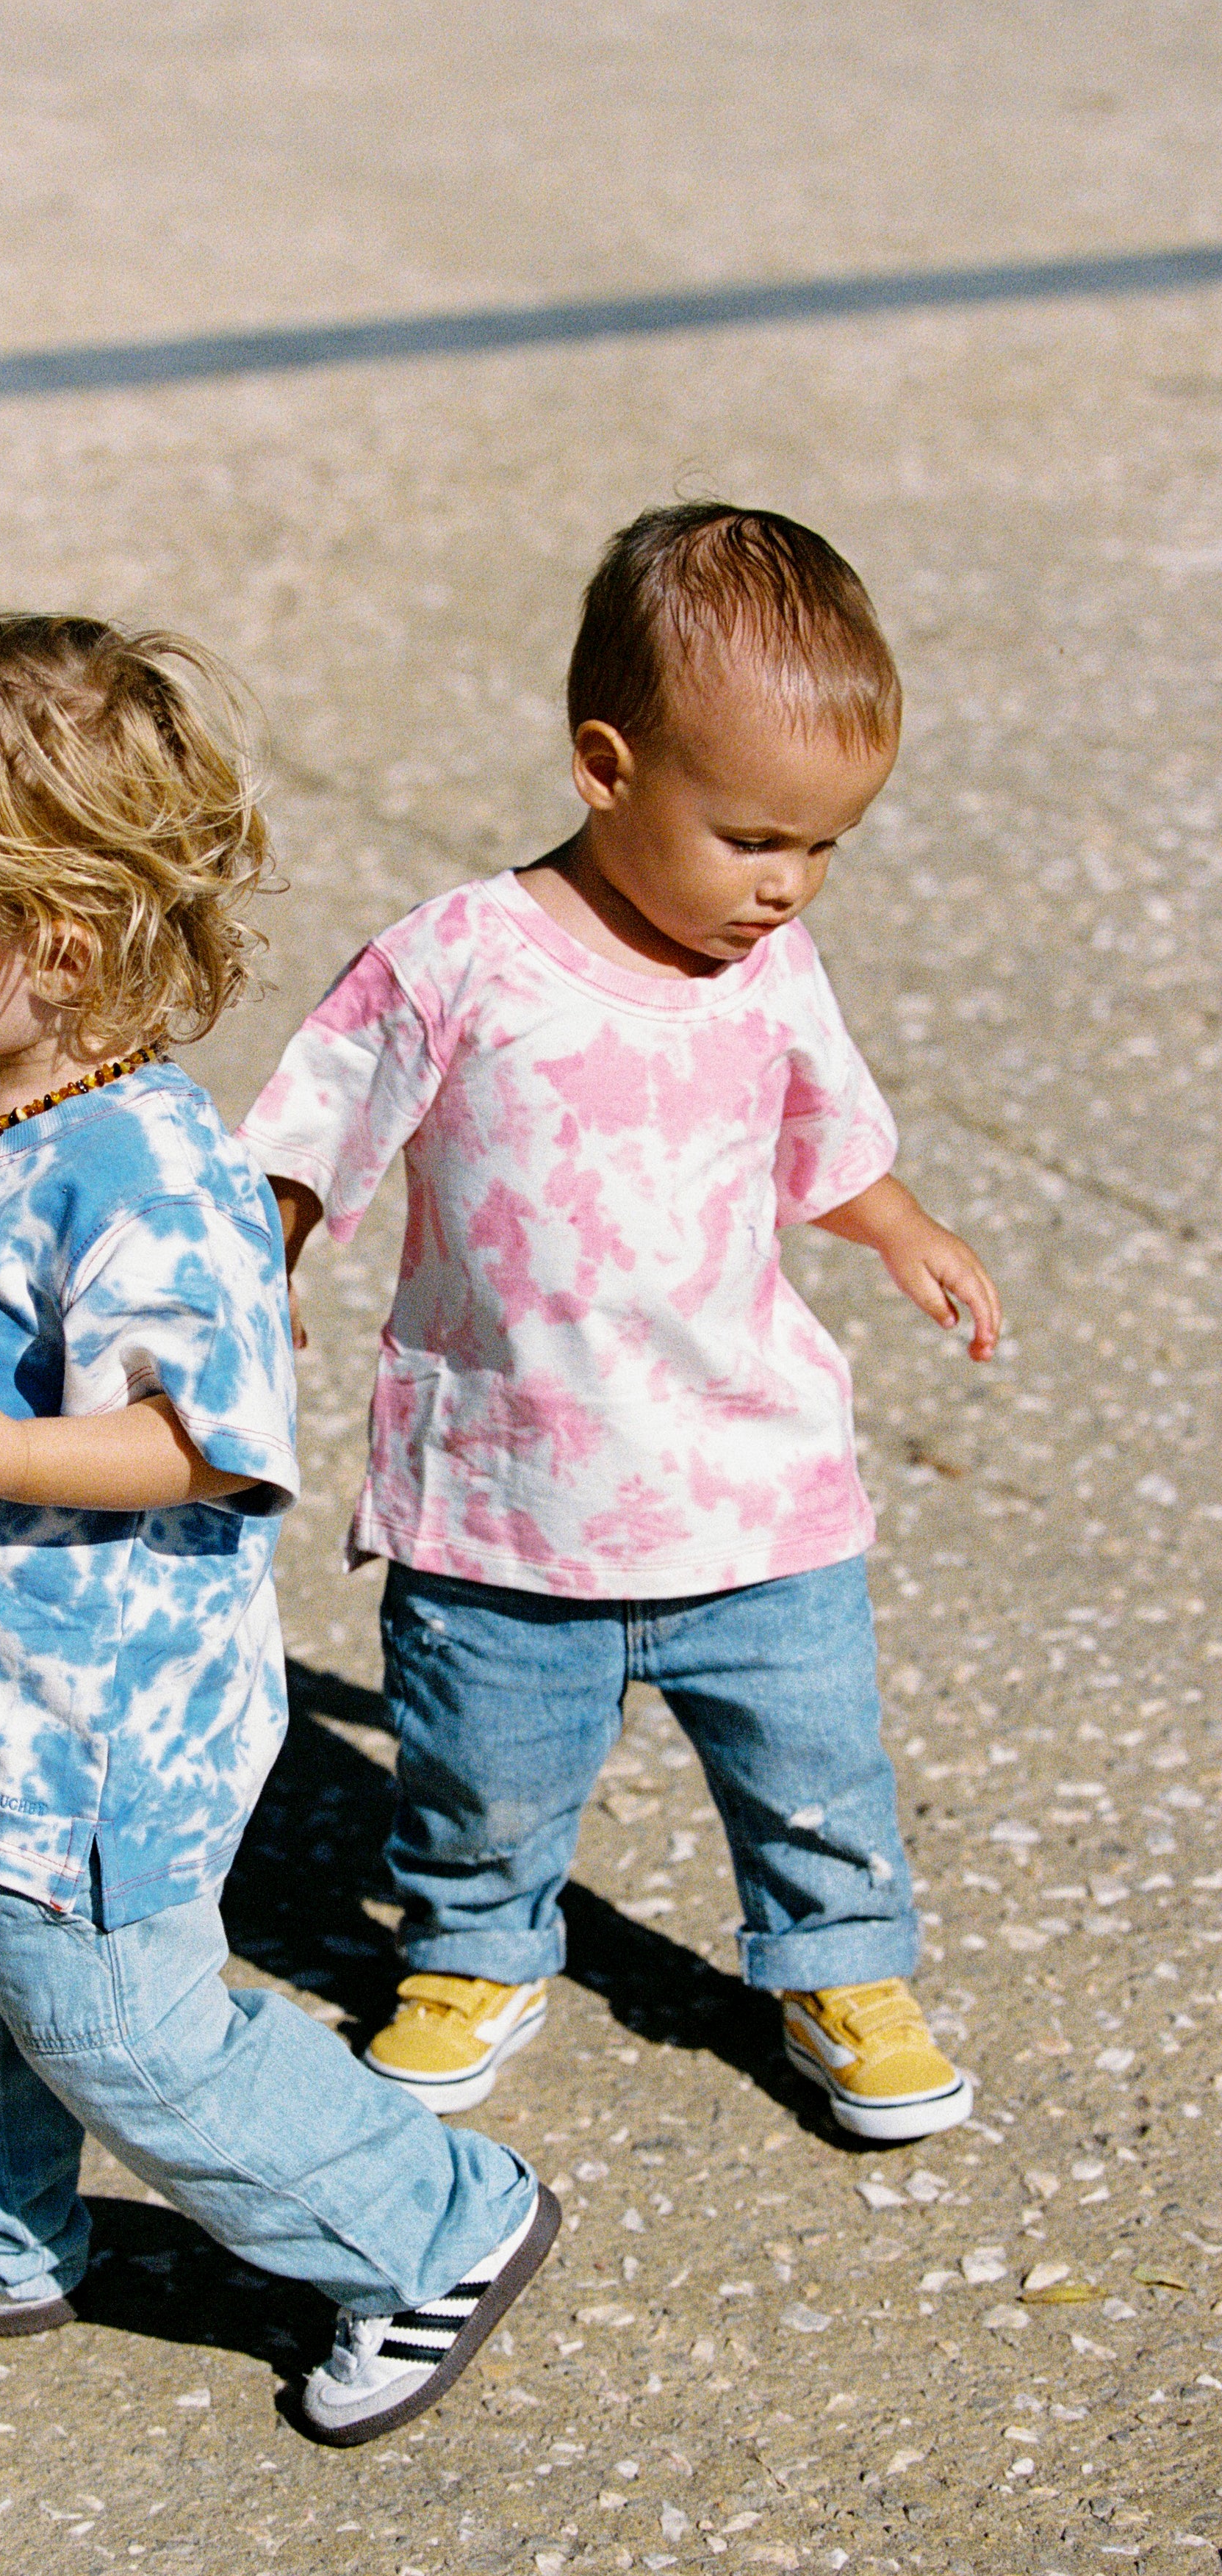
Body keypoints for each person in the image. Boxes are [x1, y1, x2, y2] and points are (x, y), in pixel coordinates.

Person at [0, 616, 557, 2444]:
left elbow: (210, 1437)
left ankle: (430, 2227)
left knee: (126, 2036)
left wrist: (0, 1446)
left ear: (49, 943)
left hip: (84, 1740)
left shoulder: (153, 1173)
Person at [240, 505, 1000, 2143]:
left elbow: (823, 1131)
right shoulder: (457, 965)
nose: (785, 888)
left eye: (824, 847)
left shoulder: (771, 968)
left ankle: (841, 1964)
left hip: (752, 1484)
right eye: (750, 840)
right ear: (605, 766)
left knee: (814, 1764)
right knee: (477, 1773)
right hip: (510, 1491)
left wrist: (899, 1226)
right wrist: (260, 1269)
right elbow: (312, 1134)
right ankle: (469, 1947)